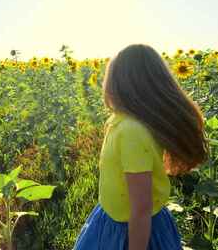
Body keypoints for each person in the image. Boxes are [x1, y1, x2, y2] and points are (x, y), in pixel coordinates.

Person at [73, 44, 208, 250]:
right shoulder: (124, 121)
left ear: (121, 84)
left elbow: (141, 209)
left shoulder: (131, 131)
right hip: (113, 218)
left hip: (130, 232)